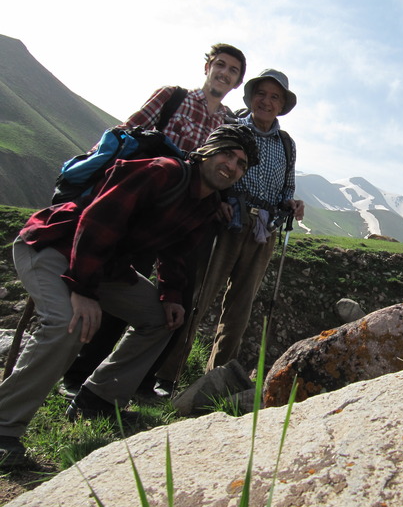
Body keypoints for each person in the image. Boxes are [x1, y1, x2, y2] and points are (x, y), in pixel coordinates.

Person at [0, 125, 258, 468]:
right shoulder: (162, 172)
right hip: (55, 247)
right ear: (206, 152)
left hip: (104, 266)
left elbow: (176, 255)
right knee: (69, 322)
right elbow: (96, 222)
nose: (232, 166)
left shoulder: (205, 204)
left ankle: (98, 398)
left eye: (241, 164)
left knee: (160, 320)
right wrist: (82, 289)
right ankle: (5, 429)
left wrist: (171, 297)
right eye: (228, 154)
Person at [60, 44, 247, 399]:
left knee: (175, 295)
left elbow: (219, 168)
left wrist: (220, 199)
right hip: (141, 205)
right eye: (220, 65)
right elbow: (128, 131)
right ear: (207, 66)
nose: (224, 73)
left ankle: (139, 380)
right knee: (119, 285)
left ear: (237, 82)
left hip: (184, 217)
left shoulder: (227, 122)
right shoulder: (173, 97)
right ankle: (81, 376)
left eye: (233, 70)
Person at [159, 69, 304, 377]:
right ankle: (166, 373)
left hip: (263, 231)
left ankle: (217, 378)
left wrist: (290, 204)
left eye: (274, 97)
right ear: (251, 97)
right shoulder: (231, 128)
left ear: (282, 105)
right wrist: (218, 202)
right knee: (200, 296)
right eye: (261, 94)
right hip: (224, 223)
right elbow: (207, 170)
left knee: (240, 307)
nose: (266, 101)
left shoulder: (287, 144)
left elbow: (286, 188)